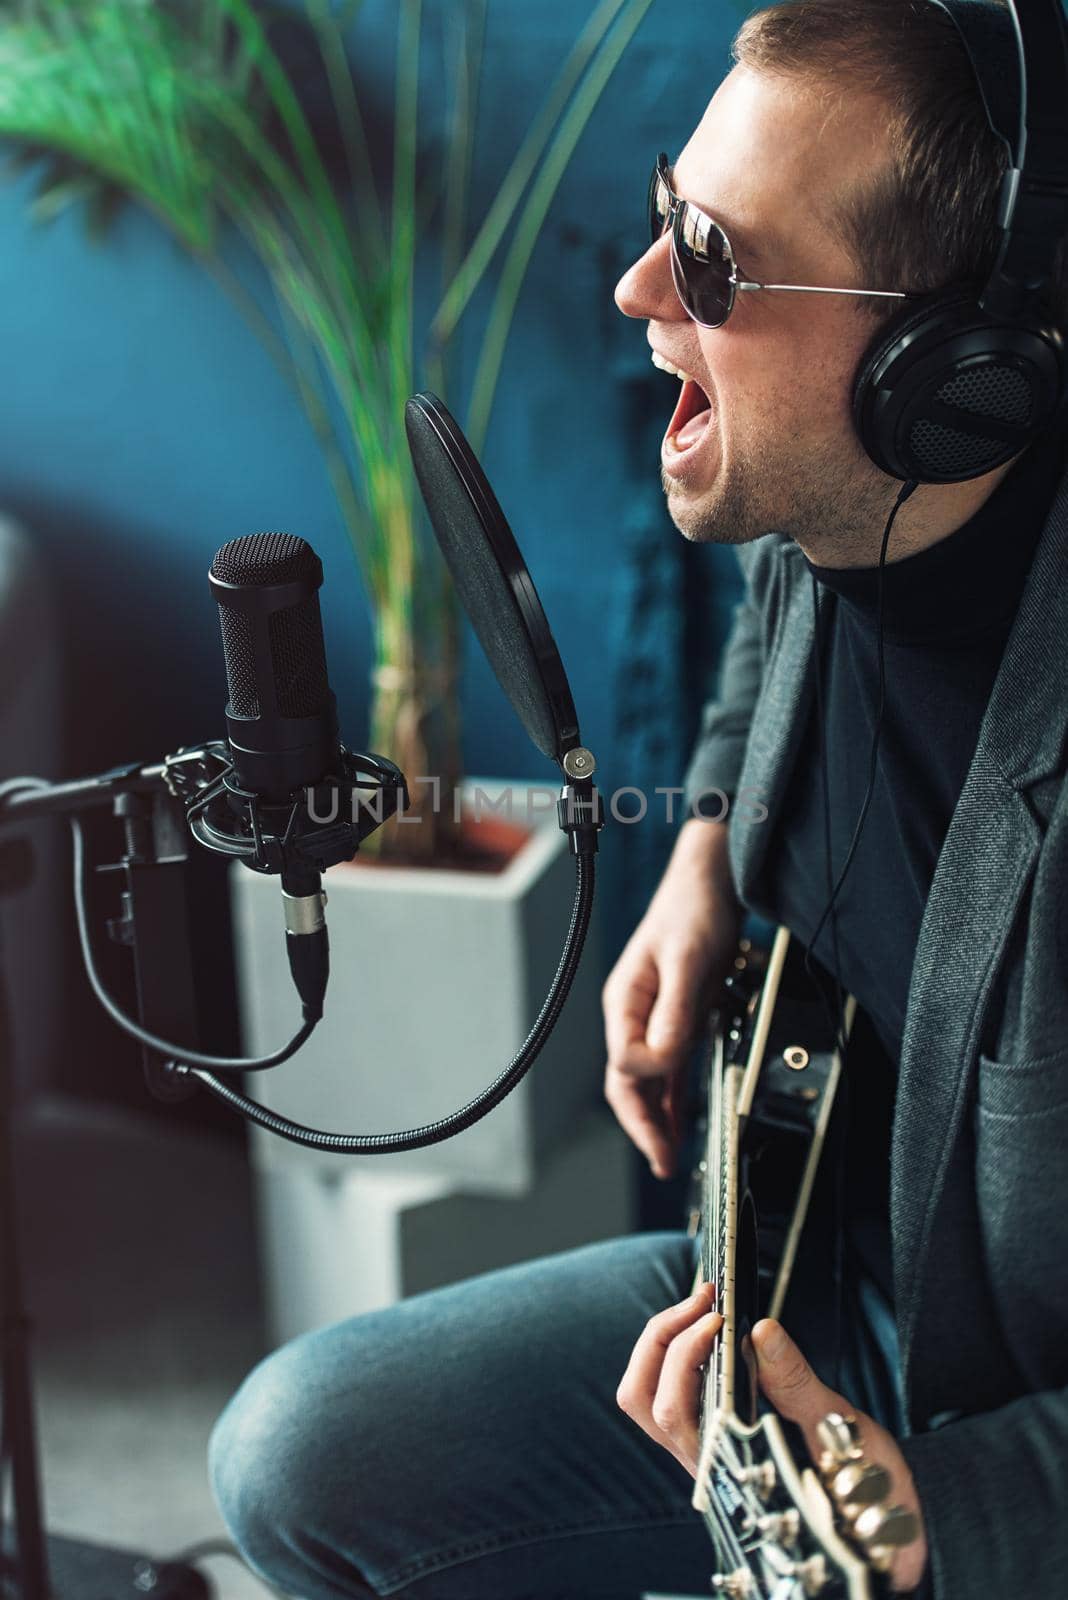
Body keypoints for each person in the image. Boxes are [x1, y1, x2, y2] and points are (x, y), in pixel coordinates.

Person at [209, 3, 1068, 1597]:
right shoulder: (836, 498)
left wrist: (959, 1510)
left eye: (721, 267)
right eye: (675, 214)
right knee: (294, 1450)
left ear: (943, 377)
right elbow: (774, 619)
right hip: (804, 1277)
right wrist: (699, 860)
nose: (640, 287)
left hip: (1000, 1427)